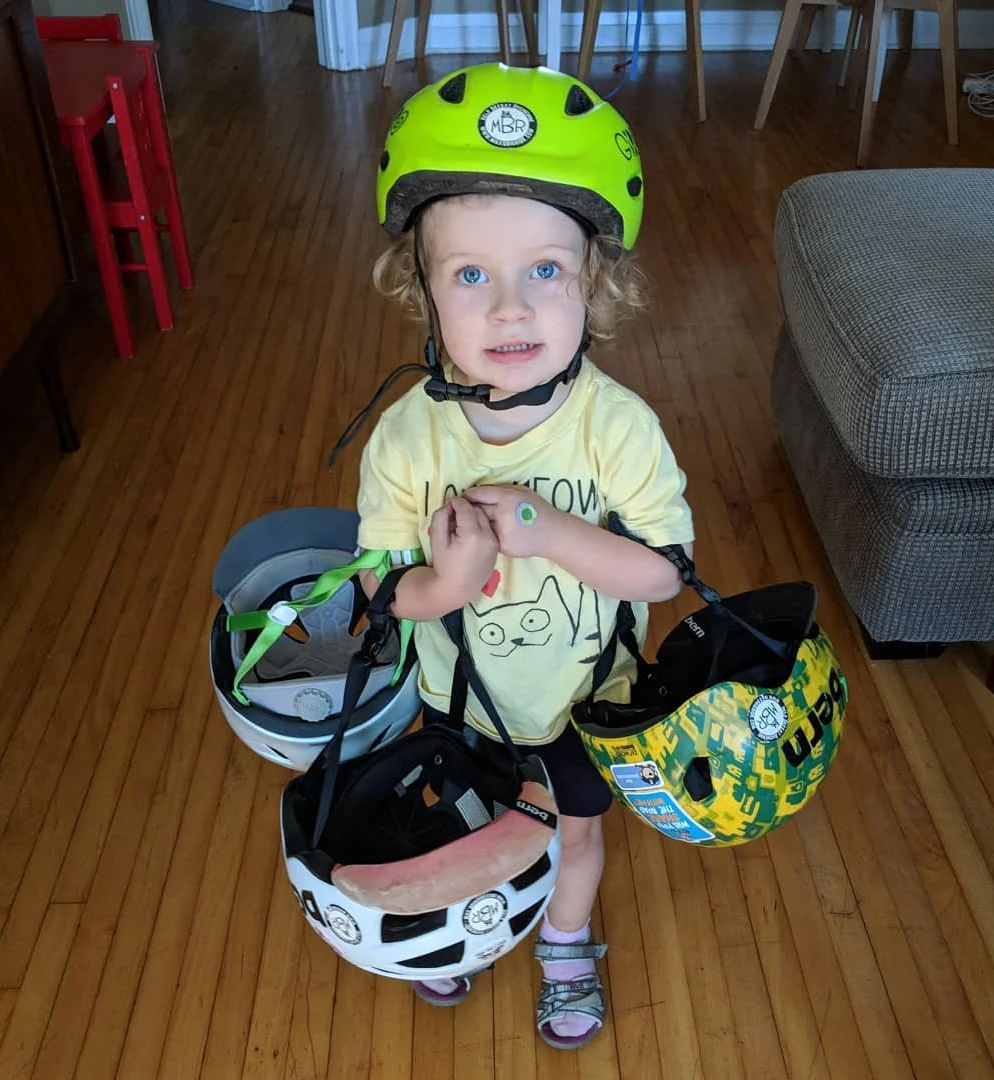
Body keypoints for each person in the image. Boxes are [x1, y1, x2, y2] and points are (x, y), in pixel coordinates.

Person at [355, 62, 694, 1050]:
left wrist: (549, 531)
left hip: (588, 701)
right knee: (466, 822)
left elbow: (663, 572)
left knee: (575, 834)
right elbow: (380, 586)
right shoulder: (405, 440)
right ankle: (462, 923)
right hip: (458, 697)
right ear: (421, 288)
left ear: (596, 281)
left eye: (546, 270)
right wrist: (443, 585)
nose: (510, 308)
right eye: (471, 275)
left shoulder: (618, 429)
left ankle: (565, 942)